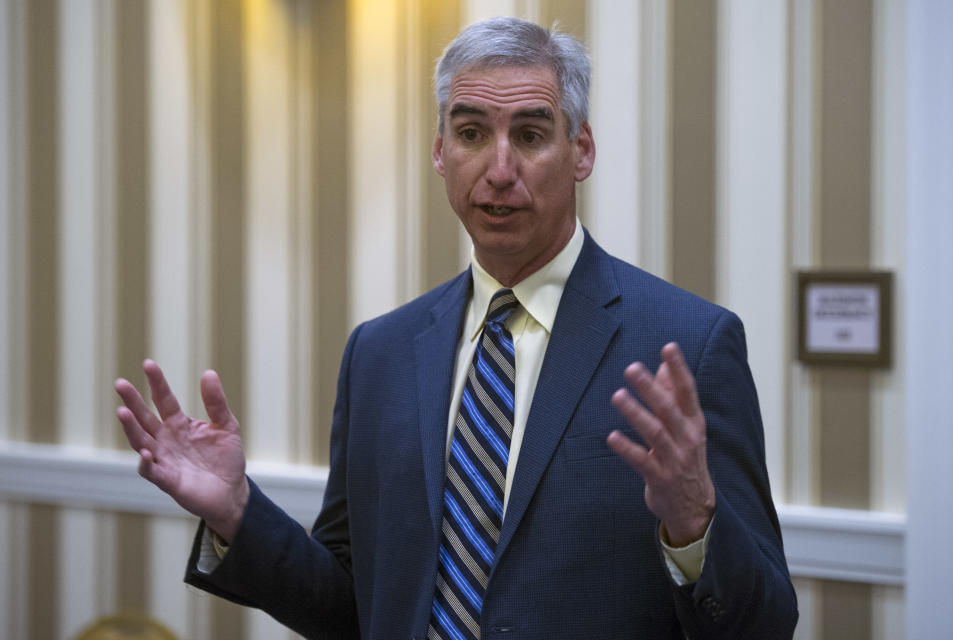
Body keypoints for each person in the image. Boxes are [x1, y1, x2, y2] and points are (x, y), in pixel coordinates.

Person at [115, 17, 797, 640]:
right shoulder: (379, 353)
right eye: (472, 134)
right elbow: (352, 606)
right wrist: (238, 512)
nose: (499, 170)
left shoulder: (688, 345)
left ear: (581, 150)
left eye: (530, 135)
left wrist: (695, 521)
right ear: (441, 151)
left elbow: (766, 625)